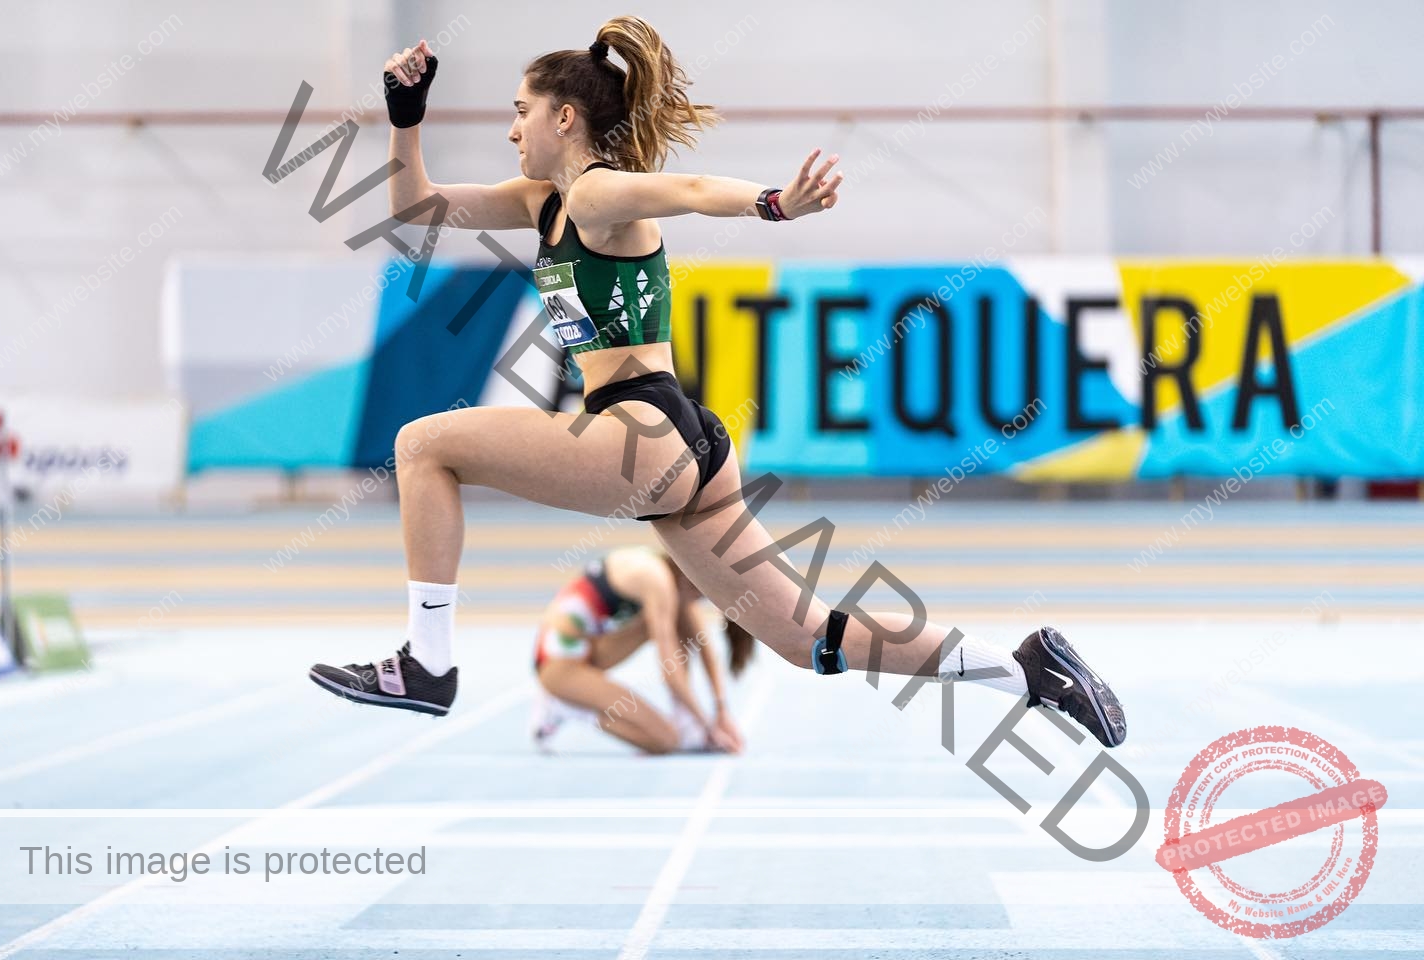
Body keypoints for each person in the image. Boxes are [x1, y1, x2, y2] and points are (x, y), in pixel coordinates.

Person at [308, 16, 1127, 749]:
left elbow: (693, 190)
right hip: (685, 446)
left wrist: (775, 203)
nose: (511, 128)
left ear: (565, 118)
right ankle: (1025, 670)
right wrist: (405, 117)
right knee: (809, 640)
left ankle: (428, 663)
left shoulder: (594, 193)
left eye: (522, 110)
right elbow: (416, 208)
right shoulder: (541, 201)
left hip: (637, 434)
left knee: (422, 444)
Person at [529, 546, 751, 755]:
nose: (699, 602)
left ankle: (684, 719)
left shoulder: (676, 576)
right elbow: (669, 669)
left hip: (588, 648)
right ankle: (566, 706)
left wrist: (721, 710)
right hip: (557, 660)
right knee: (665, 740)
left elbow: (704, 646)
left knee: (679, 614)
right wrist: (707, 725)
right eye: (702, 596)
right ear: (693, 581)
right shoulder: (656, 580)